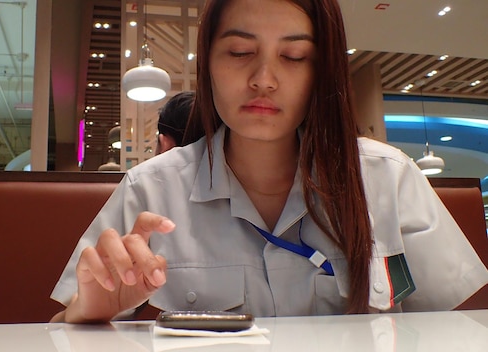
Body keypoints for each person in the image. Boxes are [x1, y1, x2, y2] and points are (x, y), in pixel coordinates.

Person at [50, 0, 488, 323]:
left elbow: (467, 325)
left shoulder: (387, 178)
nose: (264, 80)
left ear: (322, 72)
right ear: (208, 64)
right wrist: (89, 313)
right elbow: (55, 331)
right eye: (240, 53)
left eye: (294, 57)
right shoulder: (150, 190)